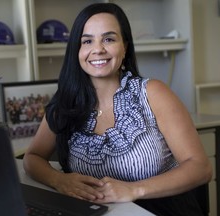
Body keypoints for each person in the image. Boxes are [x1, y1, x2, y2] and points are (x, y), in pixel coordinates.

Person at [23, 3, 212, 215]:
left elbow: (200, 168)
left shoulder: (153, 93)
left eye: (109, 39)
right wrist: (59, 180)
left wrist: (133, 189)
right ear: (77, 50)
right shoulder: (65, 102)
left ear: (125, 47)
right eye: (87, 41)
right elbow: (32, 158)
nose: (98, 49)